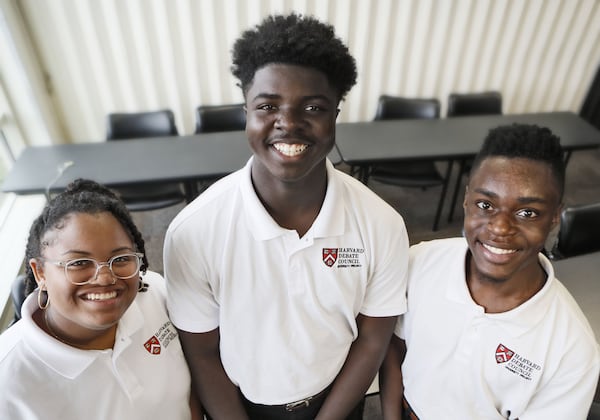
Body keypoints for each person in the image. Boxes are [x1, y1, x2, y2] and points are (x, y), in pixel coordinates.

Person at [163, 13, 409, 420]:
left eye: (312, 106)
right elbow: (202, 352)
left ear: (335, 114)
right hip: (238, 407)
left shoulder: (382, 224)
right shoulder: (194, 231)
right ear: (246, 110)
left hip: (339, 402)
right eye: (268, 106)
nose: (289, 124)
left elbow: (371, 341)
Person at [379, 124, 600, 419]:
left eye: (527, 213)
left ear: (555, 217)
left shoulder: (572, 348)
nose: (500, 228)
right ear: (466, 200)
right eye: (485, 204)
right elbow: (393, 345)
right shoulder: (420, 262)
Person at [0, 179, 201, 419]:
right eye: (79, 263)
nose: (105, 278)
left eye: (121, 259)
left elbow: (190, 389)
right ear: (40, 273)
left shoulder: (155, 294)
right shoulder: (9, 378)